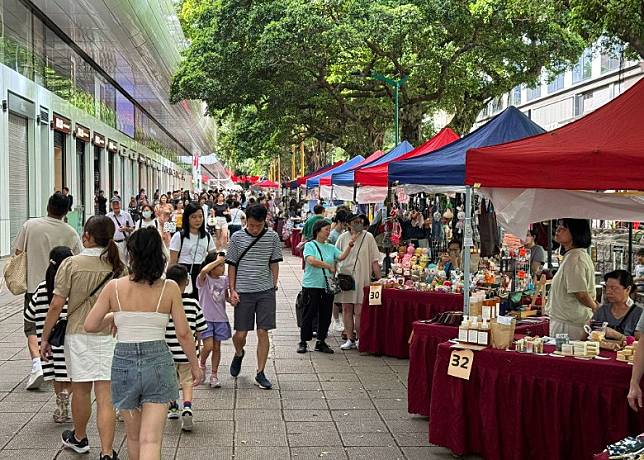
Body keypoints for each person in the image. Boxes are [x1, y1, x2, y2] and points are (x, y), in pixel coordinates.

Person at [84, 227, 204, 459]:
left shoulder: (115, 287)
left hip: (123, 363)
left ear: (131, 254)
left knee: (134, 437)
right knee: (151, 439)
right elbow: (184, 333)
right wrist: (195, 365)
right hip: (158, 361)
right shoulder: (168, 288)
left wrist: (115, 317)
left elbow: (90, 325)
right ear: (159, 255)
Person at [40, 216, 125, 459]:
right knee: (105, 395)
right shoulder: (118, 265)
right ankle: (107, 452)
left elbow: (56, 305)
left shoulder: (71, 264)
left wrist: (45, 337)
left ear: (86, 235)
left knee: (81, 391)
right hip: (109, 333)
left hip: (78, 334)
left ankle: (79, 438)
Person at [14, 192, 82, 390]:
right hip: (61, 289)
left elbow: (18, 253)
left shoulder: (30, 225)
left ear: (48, 206)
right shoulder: (70, 232)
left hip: (34, 286)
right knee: (59, 325)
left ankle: (37, 364)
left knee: (32, 327)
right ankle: (59, 365)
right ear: (66, 211)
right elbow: (77, 260)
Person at [225, 205, 282, 389]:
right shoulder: (237, 237)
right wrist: (232, 289)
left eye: (258, 225)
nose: (255, 229)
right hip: (243, 291)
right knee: (240, 333)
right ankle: (239, 352)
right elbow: (231, 265)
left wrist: (273, 285)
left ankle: (260, 372)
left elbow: (274, 263)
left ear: (265, 221)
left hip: (265, 291)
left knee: (263, 331)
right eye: (251, 225)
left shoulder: (272, 237)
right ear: (245, 221)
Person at [24, 246, 73, 423]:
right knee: (72, 374)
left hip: (49, 342)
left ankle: (60, 406)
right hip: (69, 338)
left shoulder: (43, 286)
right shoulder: (73, 286)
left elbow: (29, 314)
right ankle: (66, 394)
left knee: (56, 374)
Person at [298, 219, 355, 354]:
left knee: (325, 314)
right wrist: (328, 266)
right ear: (318, 231)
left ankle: (321, 341)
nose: (329, 232)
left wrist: (350, 246)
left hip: (327, 286)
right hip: (311, 285)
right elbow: (310, 260)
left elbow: (340, 257)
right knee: (309, 313)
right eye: (326, 230)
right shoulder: (310, 245)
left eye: (329, 229)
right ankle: (303, 341)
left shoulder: (330, 247)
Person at [165, 264, 207, 430]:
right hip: (187, 352)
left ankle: (173, 406)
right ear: (187, 281)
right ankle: (187, 406)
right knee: (187, 380)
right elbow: (200, 329)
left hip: (167, 352)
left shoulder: (163, 304)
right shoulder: (193, 303)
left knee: (170, 380)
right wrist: (198, 345)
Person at [335, 214, 381, 350]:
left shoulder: (369, 237)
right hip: (345, 278)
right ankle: (350, 338)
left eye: (360, 221)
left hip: (363, 279)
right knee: (346, 309)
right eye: (355, 222)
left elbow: (374, 261)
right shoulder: (342, 238)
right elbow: (336, 257)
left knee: (360, 311)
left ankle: (361, 338)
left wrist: (379, 279)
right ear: (348, 224)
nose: (358, 224)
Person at [547, 219, 597, 340]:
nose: (557, 230)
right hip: (567, 321)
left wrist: (596, 309)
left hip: (569, 324)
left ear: (575, 233)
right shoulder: (572, 256)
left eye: (563, 228)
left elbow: (581, 293)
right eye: (558, 226)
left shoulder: (575, 258)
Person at [196, 254, 231, 388]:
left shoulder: (224, 280)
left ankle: (214, 375)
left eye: (223, 265)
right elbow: (204, 271)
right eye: (219, 266)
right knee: (208, 346)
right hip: (206, 319)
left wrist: (231, 300)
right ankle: (202, 363)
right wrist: (217, 260)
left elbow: (225, 297)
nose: (222, 268)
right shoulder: (203, 280)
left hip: (220, 318)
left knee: (217, 347)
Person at [169, 202, 216, 299]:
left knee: (201, 305)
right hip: (183, 275)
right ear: (187, 218)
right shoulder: (179, 236)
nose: (198, 220)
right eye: (193, 217)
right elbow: (173, 261)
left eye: (200, 216)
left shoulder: (207, 236)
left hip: (202, 274)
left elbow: (213, 256)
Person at [592, 270, 641, 339]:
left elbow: (640, 344)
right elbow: (587, 338)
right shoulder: (602, 311)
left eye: (613, 288)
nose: (608, 291)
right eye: (607, 287)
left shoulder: (639, 313)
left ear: (628, 289)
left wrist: (619, 336)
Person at [106, 197, 134, 264]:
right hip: (112, 243)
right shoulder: (108, 216)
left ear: (120, 205)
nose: (116, 206)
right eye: (114, 204)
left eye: (117, 204)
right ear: (111, 206)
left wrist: (126, 229)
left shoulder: (126, 215)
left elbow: (132, 228)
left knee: (124, 262)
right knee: (113, 262)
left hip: (123, 243)